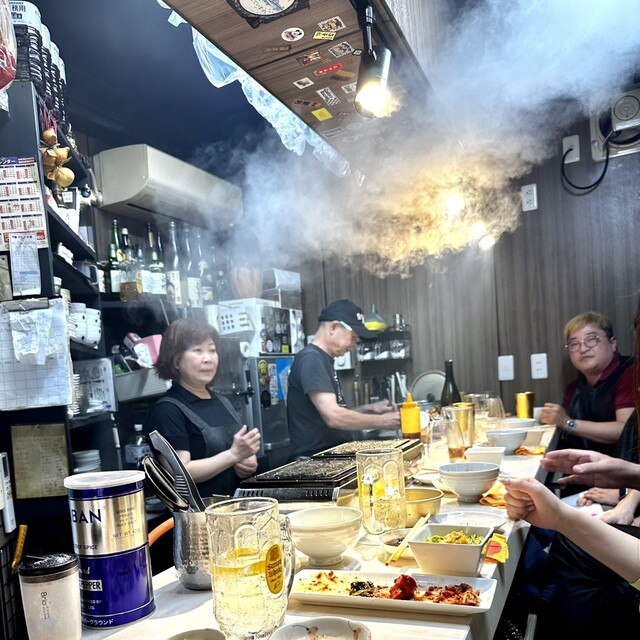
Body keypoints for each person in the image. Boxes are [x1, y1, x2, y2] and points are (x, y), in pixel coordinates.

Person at [145, 319, 261, 498]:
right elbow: (180, 473)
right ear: (176, 361)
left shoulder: (223, 402)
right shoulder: (166, 411)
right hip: (198, 513)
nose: (208, 359)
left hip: (236, 506)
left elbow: (241, 450)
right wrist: (233, 455)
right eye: (198, 350)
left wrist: (248, 461)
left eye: (212, 350)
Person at [540, 311, 634, 506]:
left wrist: (567, 422)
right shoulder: (574, 387)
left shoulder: (630, 373)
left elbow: (624, 429)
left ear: (613, 343)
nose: (583, 348)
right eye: (574, 344)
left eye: (591, 340)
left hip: (623, 483)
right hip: (582, 480)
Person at [287, 299, 401, 459]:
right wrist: (382, 421)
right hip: (314, 461)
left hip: (328, 458)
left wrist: (369, 408)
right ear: (333, 327)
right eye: (353, 336)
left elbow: (332, 413)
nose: (354, 344)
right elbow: (334, 417)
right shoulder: (312, 359)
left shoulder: (323, 359)